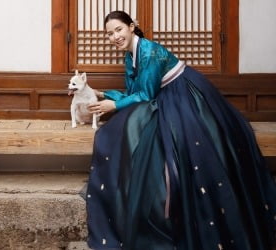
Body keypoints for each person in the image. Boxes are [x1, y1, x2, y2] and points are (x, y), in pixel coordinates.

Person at [86, 10, 276, 250]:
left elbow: (146, 95)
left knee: (168, 141)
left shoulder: (150, 51)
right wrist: (105, 95)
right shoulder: (130, 55)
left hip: (184, 93)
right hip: (164, 95)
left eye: (118, 30)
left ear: (132, 26)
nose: (114, 37)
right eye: (109, 34)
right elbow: (136, 91)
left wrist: (114, 104)